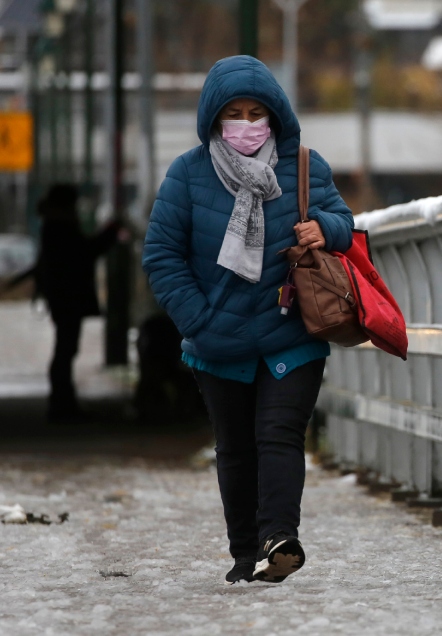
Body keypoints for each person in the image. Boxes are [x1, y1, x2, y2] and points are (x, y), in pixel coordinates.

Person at [142, 56, 354, 585]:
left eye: (256, 112)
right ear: (214, 118)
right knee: (235, 446)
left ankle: (279, 538)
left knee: (281, 434)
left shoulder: (305, 166)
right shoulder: (187, 173)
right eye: (233, 112)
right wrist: (199, 319)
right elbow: (161, 255)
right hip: (217, 338)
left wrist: (322, 228)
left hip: (291, 331)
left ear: (275, 116)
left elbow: (346, 226)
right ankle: (245, 553)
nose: (245, 122)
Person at [33, 184, 123, 421]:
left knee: (65, 348)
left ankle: (62, 402)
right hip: (67, 296)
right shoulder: (60, 226)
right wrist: (110, 233)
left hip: (61, 296)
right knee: (65, 349)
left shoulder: (52, 225)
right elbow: (83, 253)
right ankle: (62, 405)